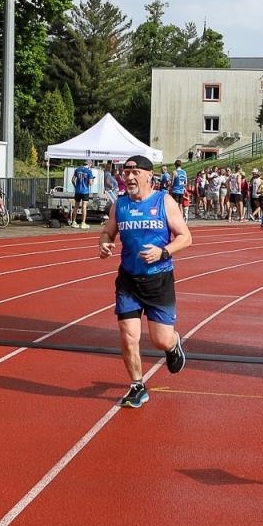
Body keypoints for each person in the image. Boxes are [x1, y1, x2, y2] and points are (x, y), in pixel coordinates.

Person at [98, 155, 193, 408]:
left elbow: (186, 237)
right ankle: (137, 386)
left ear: (149, 176)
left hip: (158, 279)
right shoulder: (120, 205)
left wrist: (163, 252)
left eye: (134, 172)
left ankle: (173, 345)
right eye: (125, 172)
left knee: (160, 339)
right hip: (128, 279)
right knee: (128, 335)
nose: (128, 177)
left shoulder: (164, 202)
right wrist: (105, 244)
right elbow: (108, 231)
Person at [70, 159, 95, 229]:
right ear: (89, 164)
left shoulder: (77, 169)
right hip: (85, 191)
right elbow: (90, 183)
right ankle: (83, 223)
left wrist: (75, 186)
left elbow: (72, 180)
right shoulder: (89, 171)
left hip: (77, 191)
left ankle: (74, 222)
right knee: (84, 206)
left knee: (76, 206)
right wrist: (93, 180)